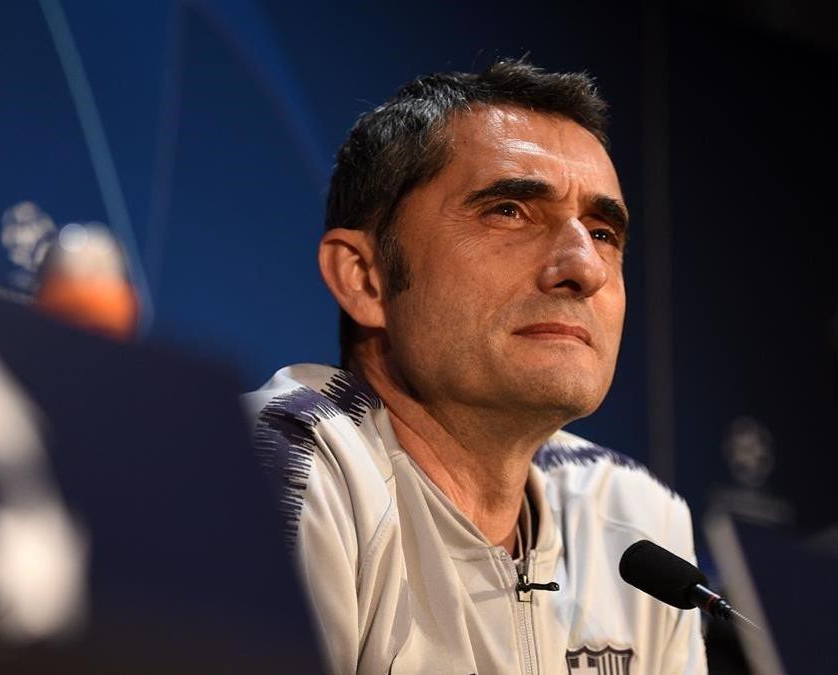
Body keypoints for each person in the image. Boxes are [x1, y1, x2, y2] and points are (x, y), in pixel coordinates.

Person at [244, 60, 706, 674]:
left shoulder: (632, 516)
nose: (583, 268)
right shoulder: (283, 470)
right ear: (365, 278)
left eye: (601, 232)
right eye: (509, 211)